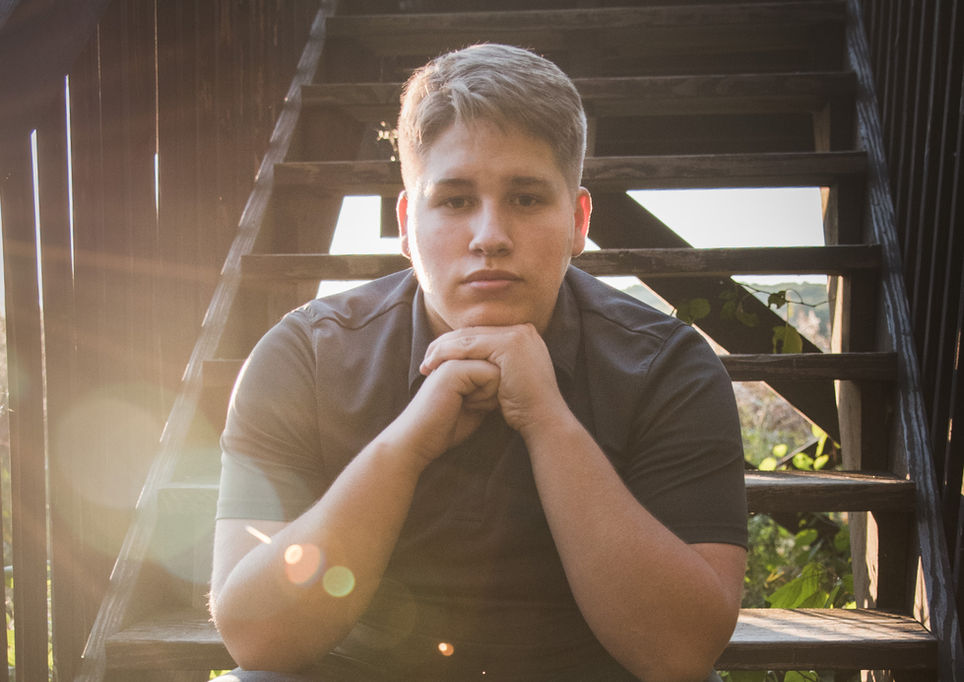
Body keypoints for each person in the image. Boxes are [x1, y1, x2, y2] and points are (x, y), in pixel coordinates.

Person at [209, 43, 747, 682]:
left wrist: (547, 421)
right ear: (407, 222)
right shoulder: (307, 358)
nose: (490, 236)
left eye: (526, 199)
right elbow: (256, 637)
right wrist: (406, 445)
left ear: (578, 220)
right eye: (455, 200)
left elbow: (682, 652)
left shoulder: (665, 366)